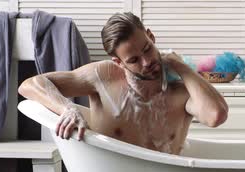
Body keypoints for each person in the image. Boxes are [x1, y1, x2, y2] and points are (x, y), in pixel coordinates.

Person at [18, 12, 228, 155]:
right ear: (118, 62)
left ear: (151, 36)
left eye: (147, 49)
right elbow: (29, 84)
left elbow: (216, 116)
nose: (147, 62)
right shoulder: (102, 76)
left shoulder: (180, 87)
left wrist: (181, 67)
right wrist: (67, 108)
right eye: (134, 60)